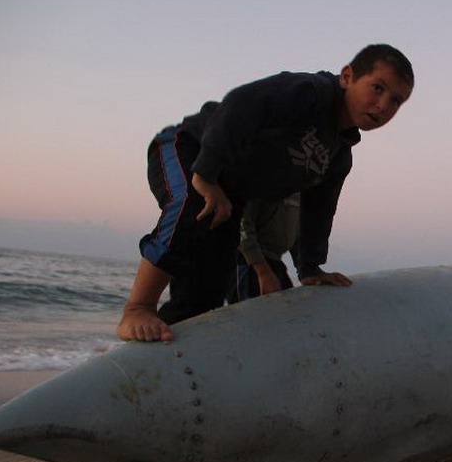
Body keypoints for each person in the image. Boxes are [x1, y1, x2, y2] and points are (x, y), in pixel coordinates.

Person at [116, 44, 414, 342]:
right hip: (187, 149)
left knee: (210, 282)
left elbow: (319, 210)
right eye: (377, 88)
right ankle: (138, 307)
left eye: (396, 101)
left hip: (231, 195)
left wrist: (309, 266)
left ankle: (165, 354)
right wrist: (206, 173)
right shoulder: (311, 92)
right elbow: (241, 103)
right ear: (347, 76)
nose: (383, 105)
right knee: (193, 207)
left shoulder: (338, 156)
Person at [226, 194, 300, 303]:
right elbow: (242, 226)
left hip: (275, 264)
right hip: (249, 265)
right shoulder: (258, 182)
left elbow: (296, 230)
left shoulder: (298, 185)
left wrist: (308, 270)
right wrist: (262, 272)